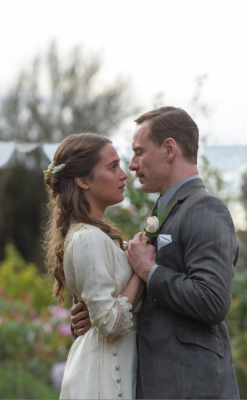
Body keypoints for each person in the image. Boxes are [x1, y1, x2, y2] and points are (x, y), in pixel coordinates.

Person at [71, 106, 239, 399]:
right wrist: (98, 313)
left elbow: (212, 301)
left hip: (192, 389)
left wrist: (151, 271)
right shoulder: (164, 212)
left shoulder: (205, 208)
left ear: (169, 149)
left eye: (139, 152)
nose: (132, 165)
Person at [43, 133, 146, 399]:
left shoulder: (98, 236)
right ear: (82, 180)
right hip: (102, 378)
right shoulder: (87, 239)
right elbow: (110, 323)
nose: (124, 175)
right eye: (112, 167)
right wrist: (142, 272)